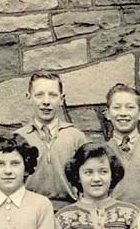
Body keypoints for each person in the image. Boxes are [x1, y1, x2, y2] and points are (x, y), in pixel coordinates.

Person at [14, 72, 88, 211]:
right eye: (39, 95)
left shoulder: (75, 136)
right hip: (28, 209)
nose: (46, 101)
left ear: (61, 99)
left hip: (69, 210)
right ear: (29, 98)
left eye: (53, 95)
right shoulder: (19, 137)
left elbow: (86, 176)